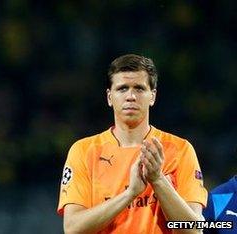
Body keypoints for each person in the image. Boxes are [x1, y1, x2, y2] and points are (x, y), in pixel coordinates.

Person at [57, 54, 207, 233]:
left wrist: (158, 180)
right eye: (122, 89)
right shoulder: (84, 151)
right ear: (109, 97)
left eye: (139, 88)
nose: (131, 96)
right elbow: (73, 229)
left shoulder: (180, 150)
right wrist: (130, 194)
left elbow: (195, 230)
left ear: (152, 96)